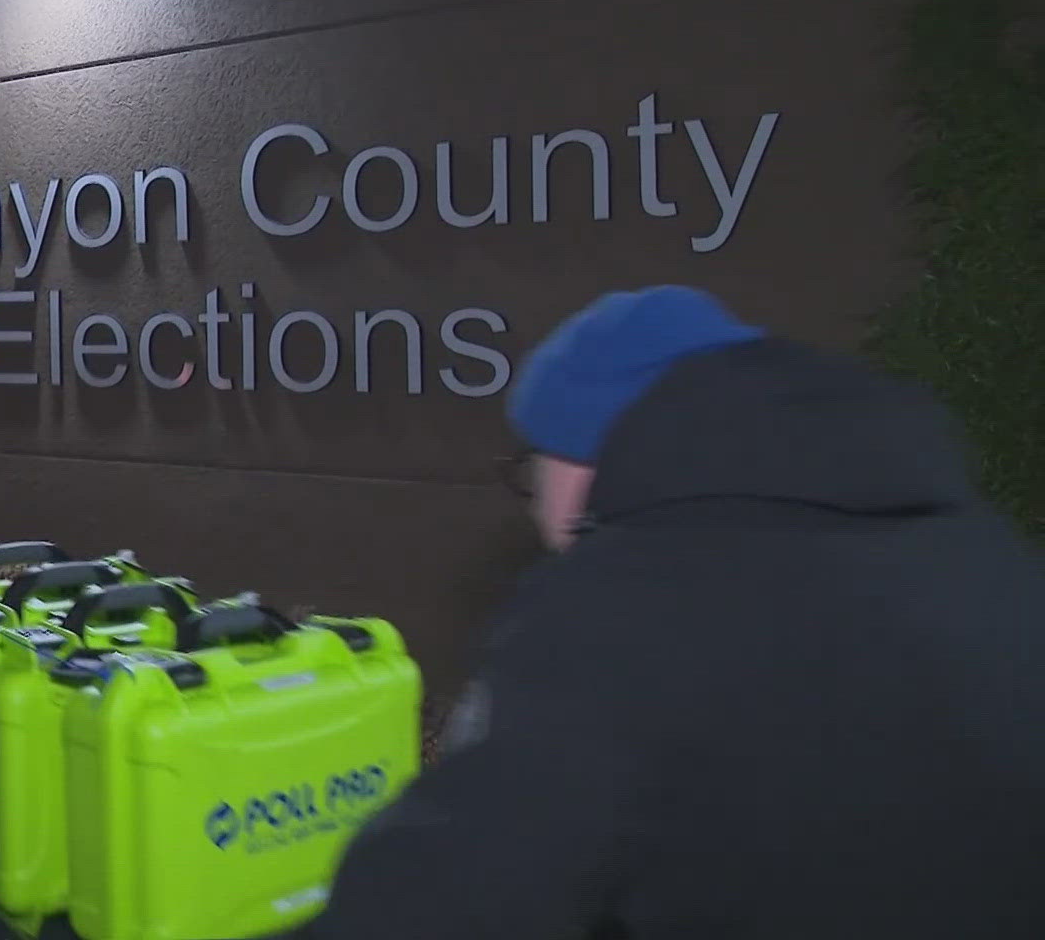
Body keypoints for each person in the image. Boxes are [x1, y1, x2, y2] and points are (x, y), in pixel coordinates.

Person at [291, 285, 1045, 939]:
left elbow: (442, 898)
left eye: (533, 469)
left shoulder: (620, 606)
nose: (535, 506)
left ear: (586, 458)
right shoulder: (978, 547)